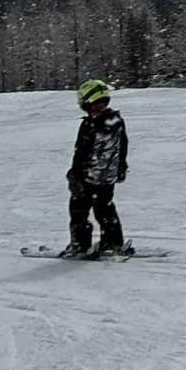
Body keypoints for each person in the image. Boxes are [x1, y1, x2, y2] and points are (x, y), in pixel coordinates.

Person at [64, 77, 131, 258]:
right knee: (105, 208)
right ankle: (112, 241)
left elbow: (81, 153)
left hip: (88, 177)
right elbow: (123, 145)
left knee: (78, 210)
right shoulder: (117, 121)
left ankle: (80, 244)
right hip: (107, 178)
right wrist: (121, 167)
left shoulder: (90, 125)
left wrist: (74, 175)